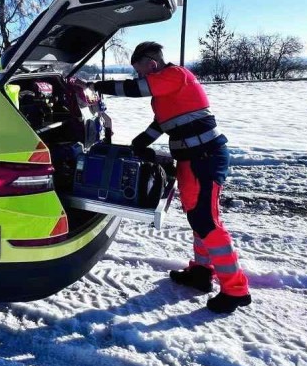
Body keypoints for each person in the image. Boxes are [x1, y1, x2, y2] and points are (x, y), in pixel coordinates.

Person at [89, 41, 251, 313]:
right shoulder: (165, 92)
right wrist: (141, 142)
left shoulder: (176, 76)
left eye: (140, 71)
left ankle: (236, 290)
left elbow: (134, 89)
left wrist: (99, 86)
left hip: (205, 159)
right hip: (191, 160)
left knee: (206, 221)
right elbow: (163, 123)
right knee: (196, 216)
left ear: (151, 64)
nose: (139, 77)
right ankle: (201, 272)